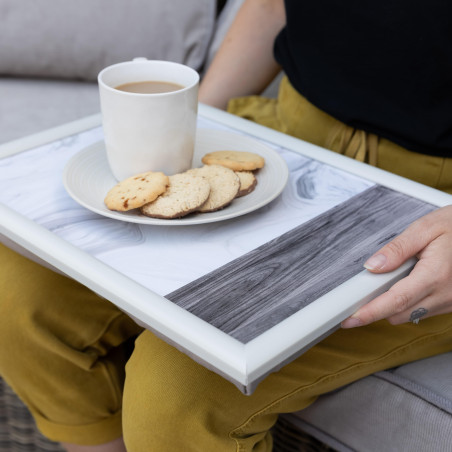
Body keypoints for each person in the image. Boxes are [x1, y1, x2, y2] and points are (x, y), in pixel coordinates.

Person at [1, 0, 451, 451]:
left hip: (434, 204)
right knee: (13, 294)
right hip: (285, 134)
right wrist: (188, 126)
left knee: (177, 390)